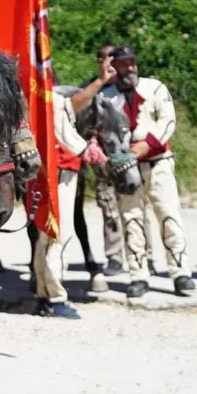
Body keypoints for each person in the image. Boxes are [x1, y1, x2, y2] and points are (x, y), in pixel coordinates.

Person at [99, 45, 194, 298]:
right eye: (123, 63)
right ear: (115, 66)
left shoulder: (155, 88)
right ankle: (138, 274)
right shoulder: (107, 96)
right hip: (125, 167)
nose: (129, 68)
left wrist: (145, 145)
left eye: (132, 62)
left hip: (158, 161)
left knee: (169, 215)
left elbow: (168, 121)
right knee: (131, 219)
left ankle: (180, 272)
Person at [34, 91, 109, 319]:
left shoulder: (30, 95)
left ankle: (42, 295)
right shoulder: (47, 97)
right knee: (59, 235)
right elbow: (67, 109)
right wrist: (86, 150)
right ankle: (56, 298)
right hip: (59, 171)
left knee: (44, 237)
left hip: (40, 172)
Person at [69, 43, 130, 276]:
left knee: (134, 205)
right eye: (107, 58)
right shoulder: (88, 88)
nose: (111, 63)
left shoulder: (131, 87)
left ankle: (142, 254)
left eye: (115, 58)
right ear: (99, 61)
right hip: (98, 156)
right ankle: (114, 256)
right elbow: (77, 119)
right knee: (108, 203)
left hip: (128, 151)